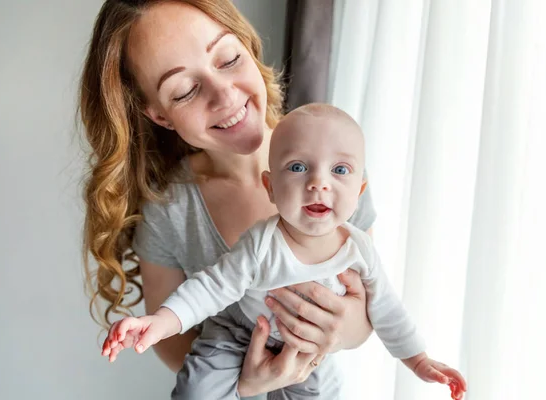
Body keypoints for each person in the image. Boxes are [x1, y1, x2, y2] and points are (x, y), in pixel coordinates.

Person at [79, 1, 380, 398]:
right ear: (159, 115)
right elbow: (172, 342)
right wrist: (246, 384)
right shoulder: (170, 209)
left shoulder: (334, 172)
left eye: (228, 58)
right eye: (185, 91)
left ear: (248, 48)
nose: (225, 96)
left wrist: (347, 330)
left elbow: (368, 309)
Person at [101, 104, 468, 400]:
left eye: (340, 170)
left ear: (359, 191)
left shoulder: (359, 248)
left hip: (308, 352)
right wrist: (161, 322)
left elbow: (386, 308)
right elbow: (213, 287)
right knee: (197, 391)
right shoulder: (262, 241)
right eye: (297, 167)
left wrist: (419, 361)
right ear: (271, 187)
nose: (318, 183)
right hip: (239, 334)